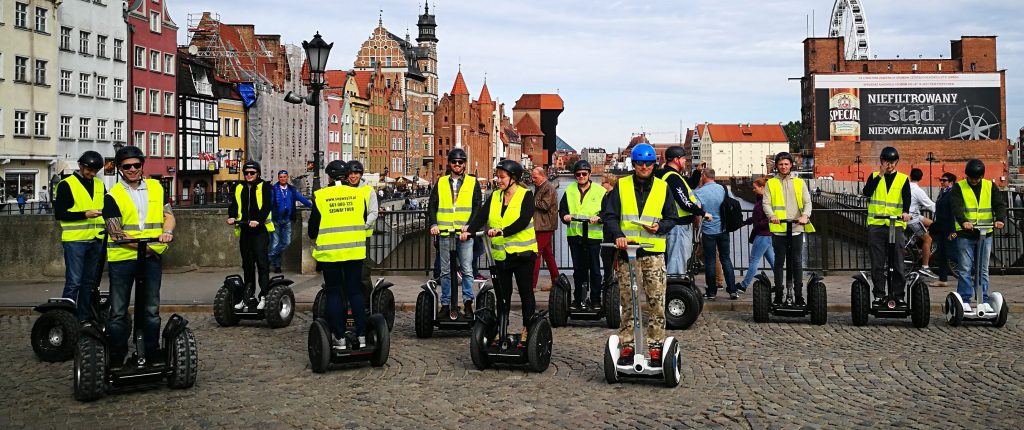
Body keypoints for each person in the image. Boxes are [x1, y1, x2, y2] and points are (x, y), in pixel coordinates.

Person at [601, 143, 676, 363]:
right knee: (628, 302)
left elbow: (672, 218)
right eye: (640, 163)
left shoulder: (663, 188)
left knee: (656, 302)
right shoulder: (622, 186)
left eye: (648, 163)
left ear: (654, 164)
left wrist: (660, 227)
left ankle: (655, 346)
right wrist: (618, 235)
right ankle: (627, 345)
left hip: (653, 254)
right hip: (628, 254)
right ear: (633, 164)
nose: (644, 167)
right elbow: (610, 216)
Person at [103, 145, 175, 367]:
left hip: (151, 258)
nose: (132, 169)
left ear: (142, 165)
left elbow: (168, 216)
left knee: (151, 309)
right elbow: (116, 233)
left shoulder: (156, 187)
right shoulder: (112, 195)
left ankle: (150, 353)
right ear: (120, 169)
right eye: (127, 166)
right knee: (118, 310)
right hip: (123, 259)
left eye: (136, 165)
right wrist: (149, 249)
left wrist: (167, 232)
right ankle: (117, 357)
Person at [462, 159, 537, 343]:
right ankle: (501, 329)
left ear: (513, 178)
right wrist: (469, 230)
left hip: (523, 254)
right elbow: (482, 215)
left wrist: (504, 231)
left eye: (502, 177)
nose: (498, 180)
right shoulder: (495, 196)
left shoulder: (525, 195)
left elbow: (524, 220)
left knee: (525, 291)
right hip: (501, 255)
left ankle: (528, 327)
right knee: (503, 295)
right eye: (497, 176)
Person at [309, 160, 370, 350]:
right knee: (355, 291)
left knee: (334, 291)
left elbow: (312, 230)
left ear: (328, 176)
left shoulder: (320, 196)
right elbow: (363, 219)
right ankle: (361, 336)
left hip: (331, 253)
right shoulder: (358, 194)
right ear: (346, 176)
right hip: (354, 250)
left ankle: (339, 337)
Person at [427, 148, 482, 317]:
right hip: (444, 232)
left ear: (464, 164)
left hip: (463, 233)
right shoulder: (441, 182)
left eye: (460, 162)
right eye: (454, 162)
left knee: (466, 269)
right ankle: (445, 304)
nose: (457, 165)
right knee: (445, 271)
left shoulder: (473, 182)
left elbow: (477, 207)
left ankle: (467, 303)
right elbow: (432, 205)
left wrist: (471, 227)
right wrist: (433, 224)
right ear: (449, 164)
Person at [53, 151, 107, 320]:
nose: (92, 173)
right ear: (81, 166)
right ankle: (65, 319)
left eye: (96, 170)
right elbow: (60, 214)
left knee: (89, 283)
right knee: (74, 282)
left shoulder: (99, 185)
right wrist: (85, 214)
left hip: (96, 239)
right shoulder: (66, 185)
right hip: (75, 240)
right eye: (89, 169)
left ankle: (83, 318)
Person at [950, 159, 1007, 314]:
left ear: (982, 176)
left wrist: (1000, 219)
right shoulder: (958, 187)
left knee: (983, 269)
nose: (974, 181)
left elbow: (999, 204)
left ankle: (984, 300)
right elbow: (956, 207)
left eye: (977, 178)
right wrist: (963, 221)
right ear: (967, 175)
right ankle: (965, 299)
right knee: (965, 268)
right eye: (972, 178)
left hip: (985, 233)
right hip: (965, 234)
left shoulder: (990, 186)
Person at [862, 146, 912, 307]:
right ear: (881, 162)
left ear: (896, 162)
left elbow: (907, 199)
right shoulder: (875, 176)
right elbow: (867, 192)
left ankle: (899, 295)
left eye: (892, 162)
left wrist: (905, 212)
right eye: (886, 162)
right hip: (876, 224)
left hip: (895, 225)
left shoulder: (903, 179)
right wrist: (880, 175)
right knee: (877, 263)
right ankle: (879, 295)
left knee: (898, 262)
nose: (889, 165)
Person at [762, 152, 814, 304]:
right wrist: (771, 216)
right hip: (779, 228)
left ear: (791, 165)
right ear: (776, 166)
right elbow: (766, 203)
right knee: (779, 261)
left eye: (786, 164)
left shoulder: (799, 183)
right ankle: (778, 294)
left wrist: (805, 216)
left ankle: (798, 295)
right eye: (780, 164)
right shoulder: (770, 183)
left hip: (796, 227)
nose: (783, 167)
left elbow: (808, 202)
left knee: (797, 261)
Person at [227, 161, 274, 310]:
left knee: (262, 264)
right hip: (245, 231)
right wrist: (232, 216)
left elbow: (267, 206)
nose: (248, 175)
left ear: (257, 173)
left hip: (259, 231)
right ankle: (249, 296)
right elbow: (234, 205)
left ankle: (264, 296)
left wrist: (258, 220)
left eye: (252, 173)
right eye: (246, 173)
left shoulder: (264, 186)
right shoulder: (239, 187)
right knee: (247, 266)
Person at [558, 160, 605, 309]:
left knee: (595, 269)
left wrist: (599, 218)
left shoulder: (600, 191)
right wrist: (565, 216)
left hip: (593, 236)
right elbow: (563, 209)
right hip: (575, 235)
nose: (581, 176)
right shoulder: (570, 190)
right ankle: (578, 299)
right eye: (578, 174)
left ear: (589, 174)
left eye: (584, 174)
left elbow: (607, 212)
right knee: (578, 270)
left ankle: (596, 299)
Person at [658, 146, 705, 275]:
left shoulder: (671, 175)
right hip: (678, 227)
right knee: (677, 263)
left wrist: (697, 171)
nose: (685, 161)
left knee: (678, 261)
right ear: (676, 159)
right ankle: (676, 292)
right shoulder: (672, 178)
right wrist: (702, 212)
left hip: (678, 226)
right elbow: (684, 202)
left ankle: (675, 288)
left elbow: (689, 185)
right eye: (683, 158)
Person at [692, 168, 736, 300]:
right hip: (723, 230)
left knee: (710, 262)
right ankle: (733, 290)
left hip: (708, 231)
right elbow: (730, 205)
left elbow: (697, 214)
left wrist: (696, 227)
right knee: (726, 260)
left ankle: (711, 292)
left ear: (704, 176)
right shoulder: (723, 189)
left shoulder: (699, 192)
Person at [735, 176, 775, 294]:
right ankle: (779, 285)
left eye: (755, 188)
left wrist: (757, 224)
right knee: (773, 262)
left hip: (762, 235)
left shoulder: (765, 201)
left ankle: (743, 285)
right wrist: (745, 222)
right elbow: (759, 217)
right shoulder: (762, 200)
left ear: (762, 187)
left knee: (754, 261)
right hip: (766, 235)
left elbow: (769, 218)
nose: (753, 190)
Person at [346, 160, 380, 300]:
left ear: (360, 175)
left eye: (356, 173)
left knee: (363, 271)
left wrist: (363, 226)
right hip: (346, 235)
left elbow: (374, 212)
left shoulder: (368, 190)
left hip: (362, 235)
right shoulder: (344, 189)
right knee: (347, 269)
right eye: (350, 173)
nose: (353, 176)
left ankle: (367, 299)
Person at [269, 169, 312, 273]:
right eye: (281, 177)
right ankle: (277, 266)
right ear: (278, 178)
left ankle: (268, 257)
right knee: (275, 243)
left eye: (284, 177)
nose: (283, 179)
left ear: (287, 178)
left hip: (287, 219)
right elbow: (269, 204)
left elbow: (302, 199)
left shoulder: (292, 190)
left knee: (286, 242)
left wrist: (312, 205)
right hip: (276, 219)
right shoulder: (274, 189)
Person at [530, 166, 560, 291]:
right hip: (543, 225)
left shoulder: (549, 188)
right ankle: (556, 281)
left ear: (543, 176)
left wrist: (530, 202)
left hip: (544, 226)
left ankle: (531, 285)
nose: (533, 179)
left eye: (535, 177)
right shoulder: (542, 187)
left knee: (536, 254)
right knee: (548, 255)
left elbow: (545, 205)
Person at [929, 172, 959, 288]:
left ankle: (974, 271)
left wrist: (953, 231)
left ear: (951, 182)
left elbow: (953, 213)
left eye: (944, 180)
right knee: (941, 254)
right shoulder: (943, 193)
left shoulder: (952, 194)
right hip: (941, 227)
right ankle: (942, 279)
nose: (942, 182)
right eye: (941, 180)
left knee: (952, 254)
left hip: (948, 229)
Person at [908, 168, 937, 277]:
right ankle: (925, 266)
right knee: (928, 239)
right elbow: (930, 205)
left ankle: (917, 241)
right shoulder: (918, 191)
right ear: (921, 178)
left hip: (913, 215)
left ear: (910, 176)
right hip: (912, 219)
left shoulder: (906, 186)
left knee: (933, 224)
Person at [599, 174, 619, 284]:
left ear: (609, 183)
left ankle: (608, 279)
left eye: (603, 183)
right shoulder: (610, 195)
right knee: (609, 255)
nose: (601, 184)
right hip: (609, 230)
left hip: (610, 231)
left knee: (606, 254)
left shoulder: (611, 197)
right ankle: (610, 277)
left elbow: (608, 213)